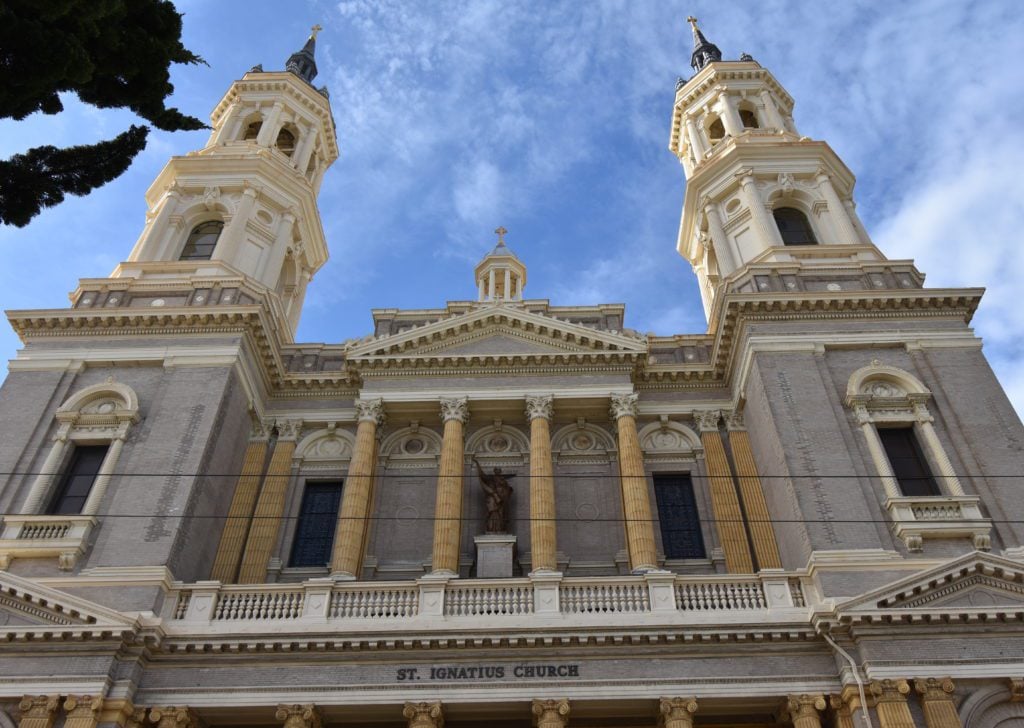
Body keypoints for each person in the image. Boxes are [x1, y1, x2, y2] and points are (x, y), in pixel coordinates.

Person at [473, 457, 515, 533]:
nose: (498, 472)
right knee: (493, 513)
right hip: (493, 500)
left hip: (501, 501)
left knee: (500, 515)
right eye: (496, 470)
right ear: (495, 471)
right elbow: (482, 475)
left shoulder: (503, 481)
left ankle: (499, 528)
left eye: (499, 471)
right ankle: (492, 528)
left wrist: (505, 493)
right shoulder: (491, 479)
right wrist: (477, 465)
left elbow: (507, 490)